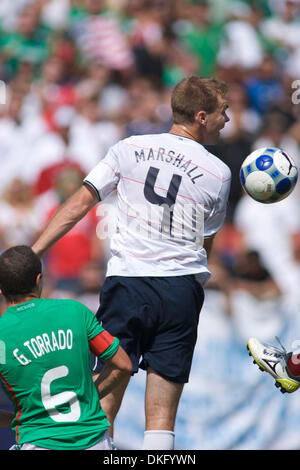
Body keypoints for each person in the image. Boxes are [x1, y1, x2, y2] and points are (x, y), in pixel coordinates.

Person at [32, 75, 231, 450]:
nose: (229, 120)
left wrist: (35, 251)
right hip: (179, 288)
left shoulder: (129, 147)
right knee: (161, 419)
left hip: (128, 284)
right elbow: (205, 241)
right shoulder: (218, 173)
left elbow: (81, 202)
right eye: (224, 111)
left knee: (105, 403)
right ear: (202, 117)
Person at [0, 245, 132, 450]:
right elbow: (123, 365)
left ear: (1, 289)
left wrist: (17, 419)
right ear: (39, 280)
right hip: (94, 441)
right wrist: (90, 395)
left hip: (39, 441)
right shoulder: (74, 311)